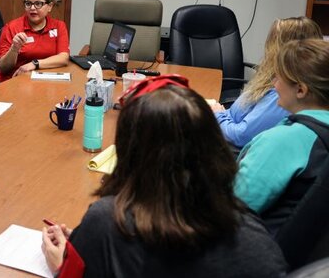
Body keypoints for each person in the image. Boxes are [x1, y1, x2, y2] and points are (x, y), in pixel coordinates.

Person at [42, 75, 286, 278]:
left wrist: (64, 265)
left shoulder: (107, 223)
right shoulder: (255, 238)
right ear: (216, 147)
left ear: (129, 151)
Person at [234, 39, 329, 233]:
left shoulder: (283, 142)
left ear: (301, 90)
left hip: (259, 253)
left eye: (278, 77)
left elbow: (230, 209)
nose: (274, 84)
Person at [211, 17, 322, 148]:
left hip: (227, 148)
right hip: (222, 126)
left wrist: (218, 115)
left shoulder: (283, 93)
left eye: (272, 41)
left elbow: (241, 136)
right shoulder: (273, 79)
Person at [0, 0, 70, 82]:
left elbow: (63, 58)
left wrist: (34, 64)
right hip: (14, 82)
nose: (32, 8)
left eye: (38, 4)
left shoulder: (59, 26)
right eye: (28, 3)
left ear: (50, 6)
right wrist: (14, 48)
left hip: (44, 80)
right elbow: (4, 68)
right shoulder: (12, 27)